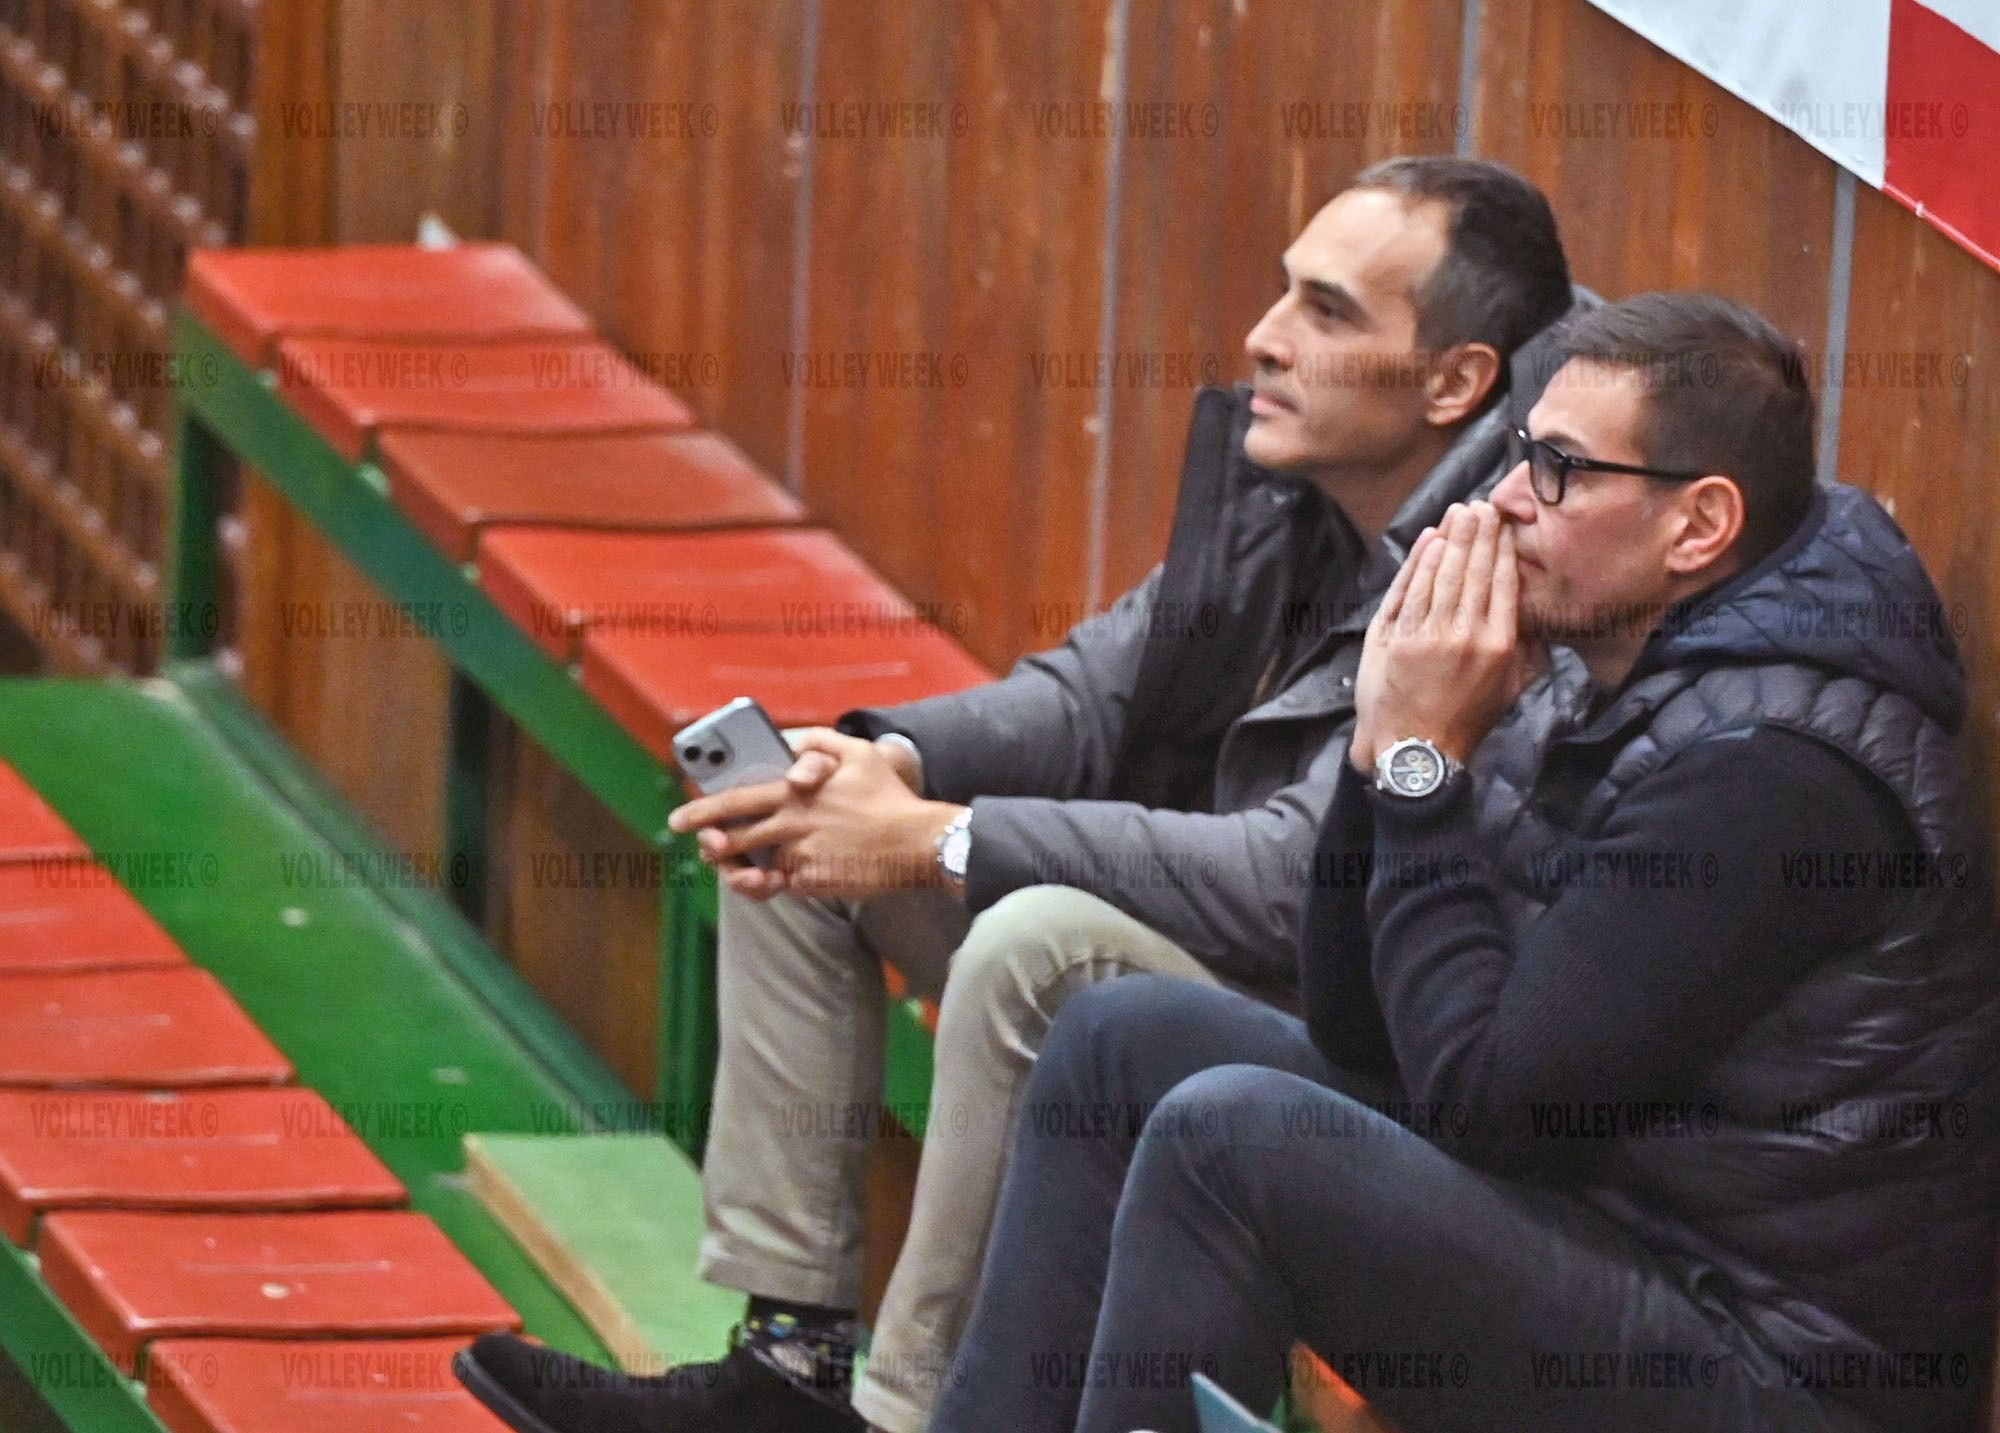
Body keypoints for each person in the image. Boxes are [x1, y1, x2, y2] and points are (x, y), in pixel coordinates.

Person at [455, 155, 1576, 1433]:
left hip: (1352, 1039)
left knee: (1034, 944)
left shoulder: (1493, 576)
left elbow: (1284, 880)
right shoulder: (1293, 492)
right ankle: (785, 1371)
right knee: (798, 822)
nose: (1264, 336)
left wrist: (934, 835)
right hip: (1212, 960)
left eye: (1326, 312)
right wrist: (885, 762)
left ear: (1453, 381)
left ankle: (906, 1412)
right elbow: (1088, 694)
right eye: (1283, 291)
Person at [928, 293, 2000, 1433]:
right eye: (1519, 453)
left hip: (1767, 1363)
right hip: (1610, 1228)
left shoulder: (1776, 772)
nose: (1504, 499)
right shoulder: (1599, 655)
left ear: (1698, 525)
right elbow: (1356, 1023)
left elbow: (1496, 1109)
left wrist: (1422, 764)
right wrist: (1378, 741)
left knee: (1230, 1138)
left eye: (1558, 470)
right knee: (1121, 1040)